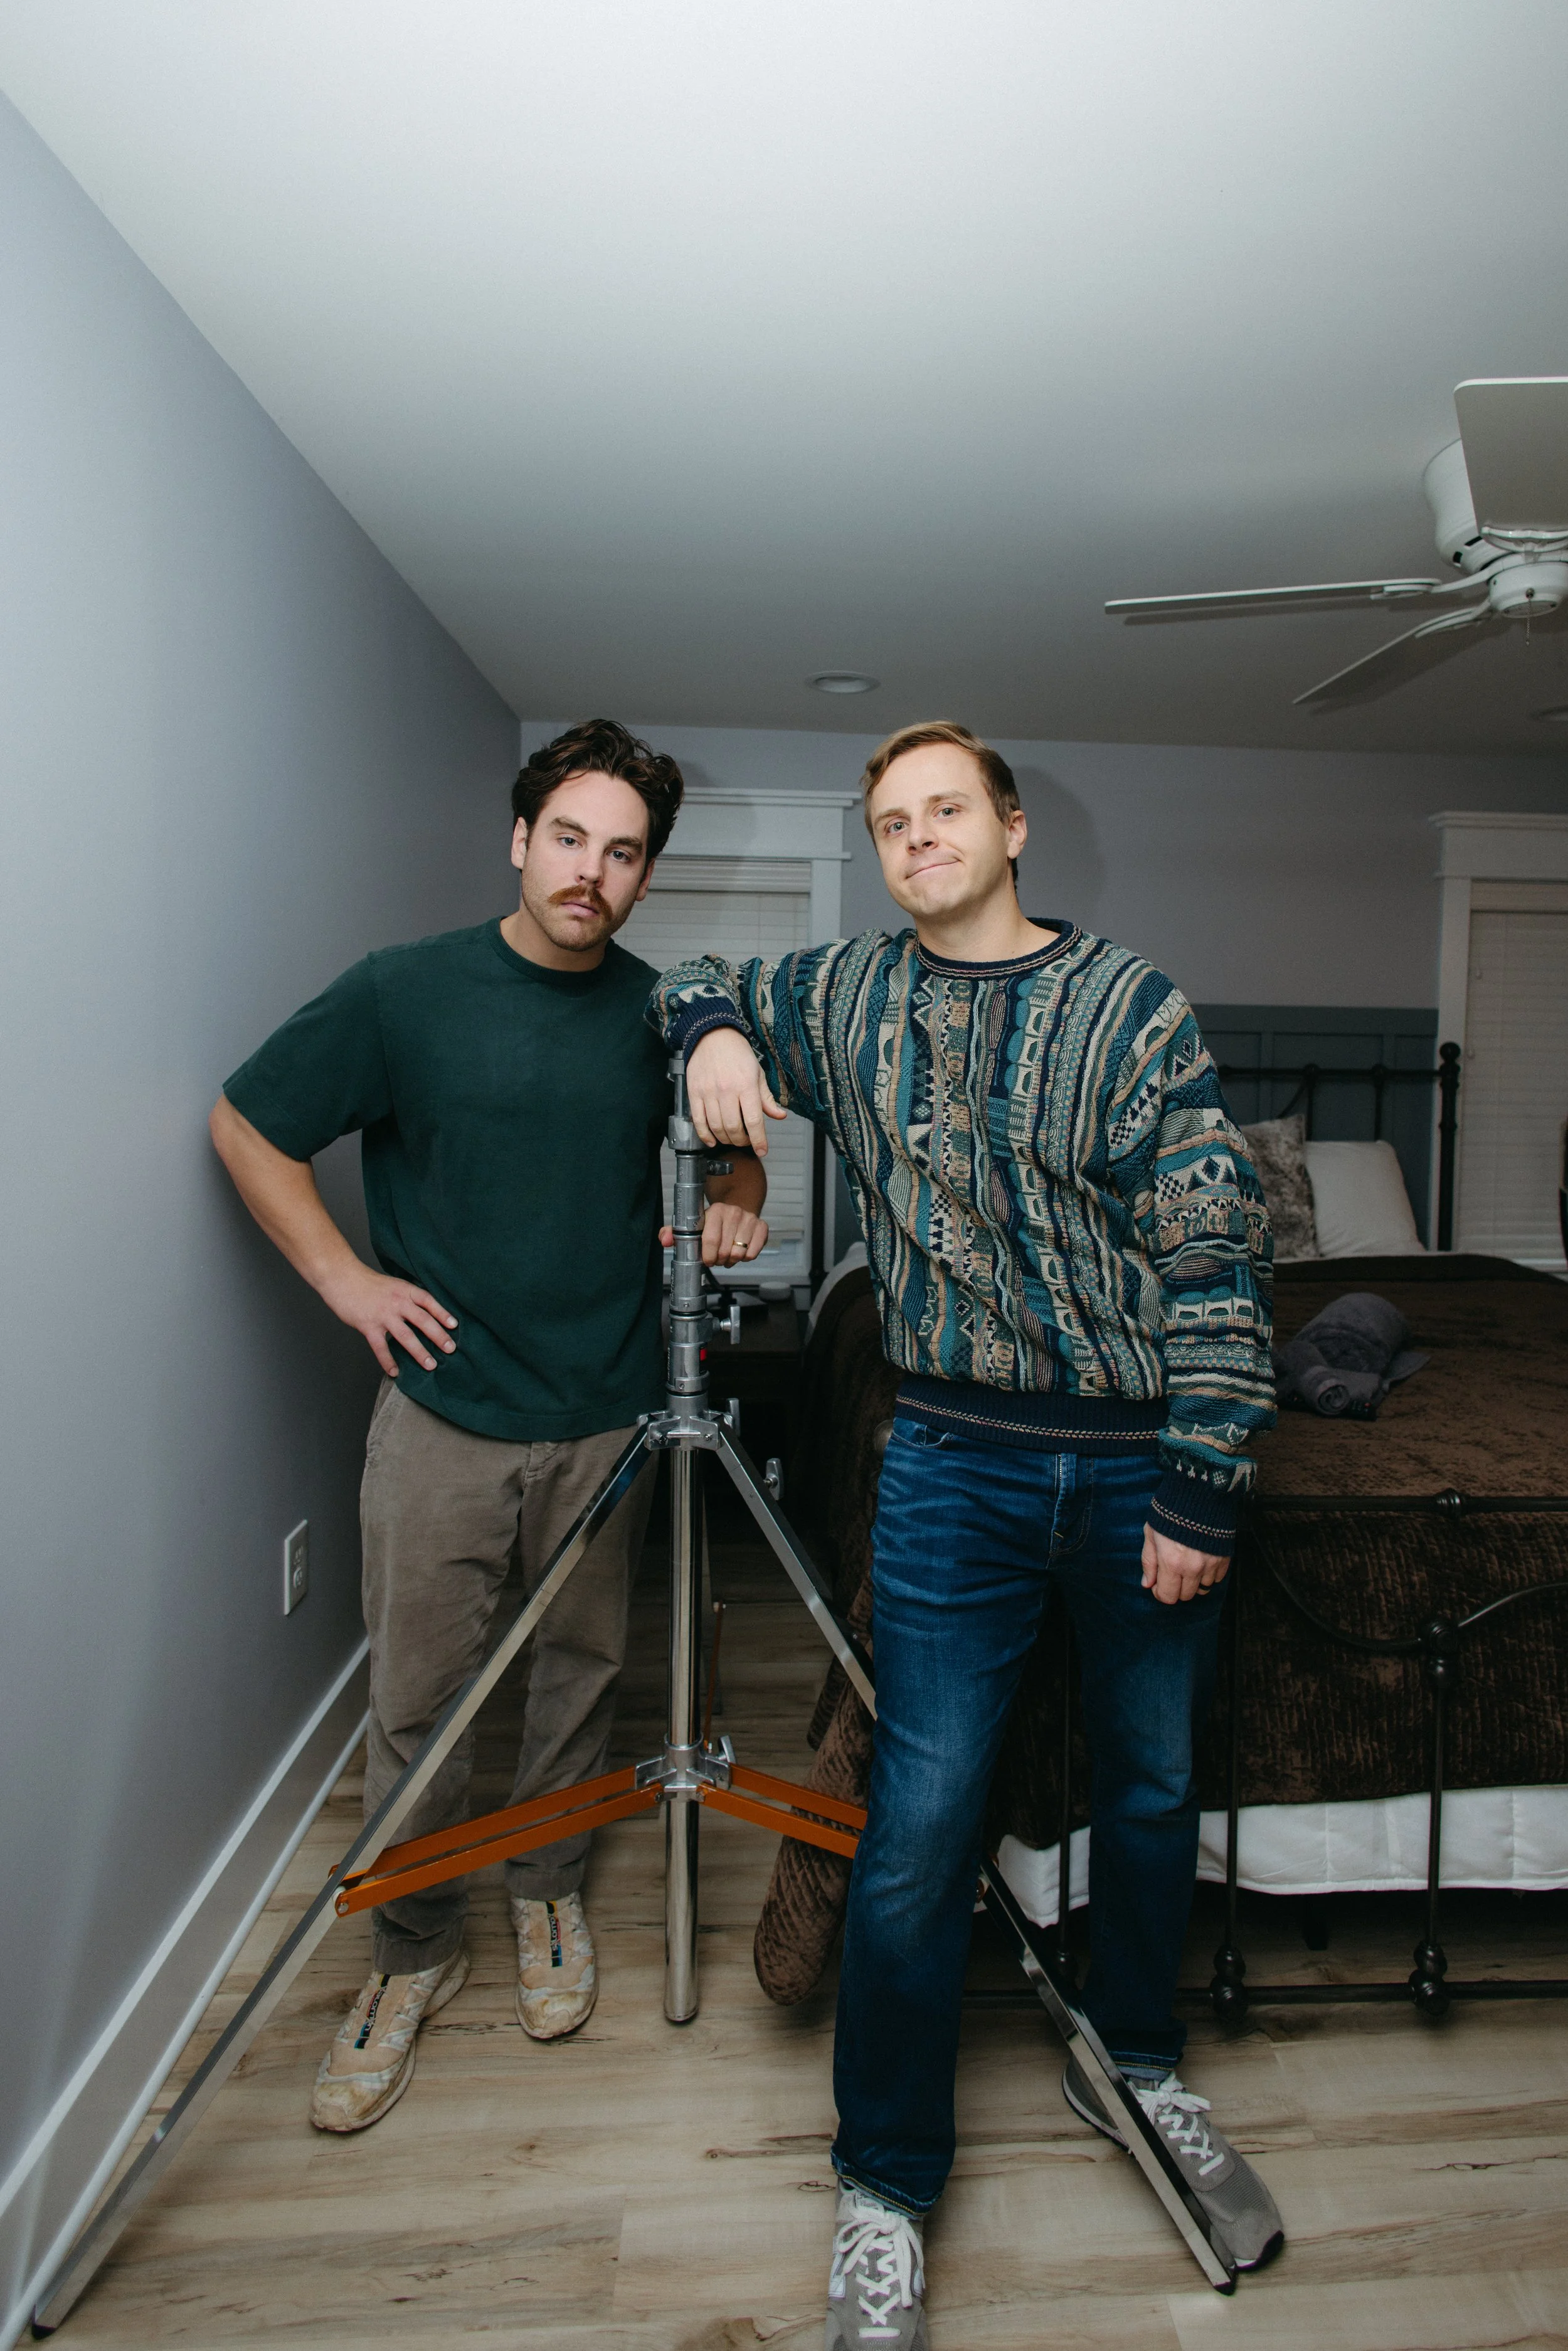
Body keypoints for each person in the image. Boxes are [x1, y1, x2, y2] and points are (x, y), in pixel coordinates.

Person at [649, 720, 1281, 2348]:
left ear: (1010, 827)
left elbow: (1215, 1244)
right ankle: (882, 2182)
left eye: (945, 808)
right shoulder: (847, 997)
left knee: (1151, 1787)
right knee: (920, 1826)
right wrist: (715, 1046)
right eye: (888, 821)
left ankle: (1131, 2065)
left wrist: (1203, 1477)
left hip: (1133, 1462)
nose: (917, 836)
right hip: (945, 1465)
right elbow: (689, 976)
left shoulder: (1127, 1004)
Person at [212, 719, 767, 2134]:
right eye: (569, 838)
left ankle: (547, 1893)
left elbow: (737, 1143)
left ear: (645, 876)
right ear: (520, 840)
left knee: (581, 1678)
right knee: (420, 1701)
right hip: (444, 1415)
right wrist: (346, 1280)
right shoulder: (402, 992)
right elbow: (248, 1123)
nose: (591, 872)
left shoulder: (659, 1015)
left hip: (610, 1417)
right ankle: (410, 1951)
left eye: (623, 853)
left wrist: (739, 1189)